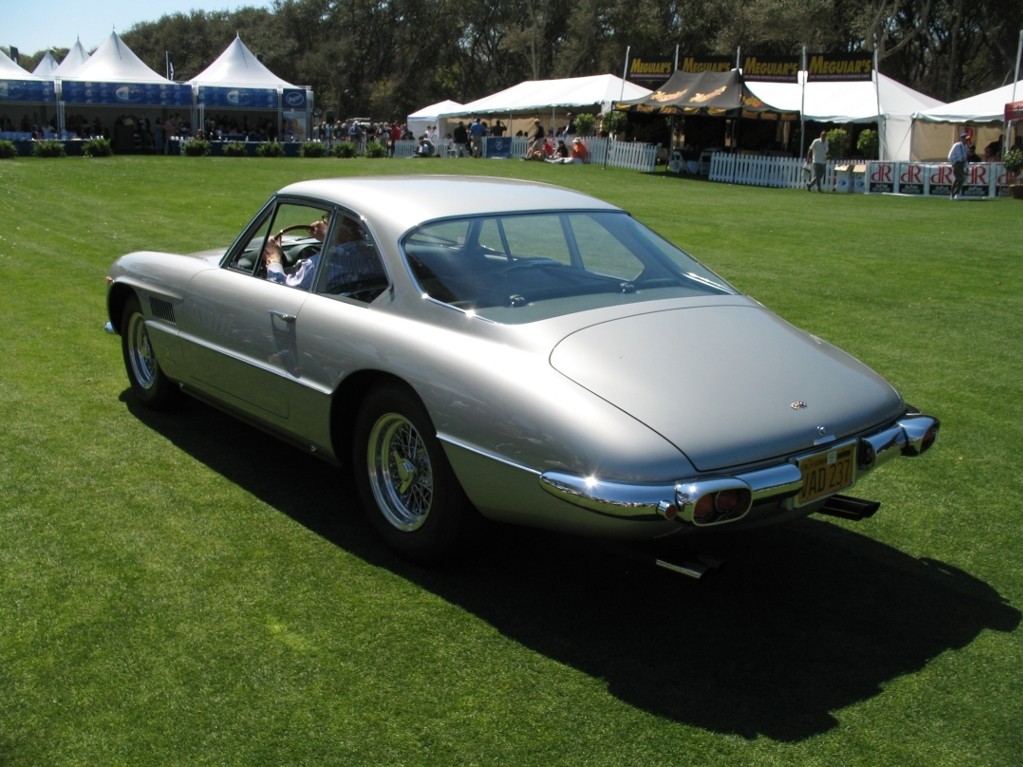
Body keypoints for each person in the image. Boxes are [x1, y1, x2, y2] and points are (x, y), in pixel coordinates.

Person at [948, 131, 970, 200]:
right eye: (965, 139)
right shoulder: (956, 145)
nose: (966, 140)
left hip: (962, 164)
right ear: (961, 139)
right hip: (957, 163)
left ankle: (954, 194)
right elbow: (950, 155)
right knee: (960, 178)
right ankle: (955, 194)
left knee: (958, 179)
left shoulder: (966, 146)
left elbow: (965, 155)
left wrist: (966, 164)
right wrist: (953, 163)